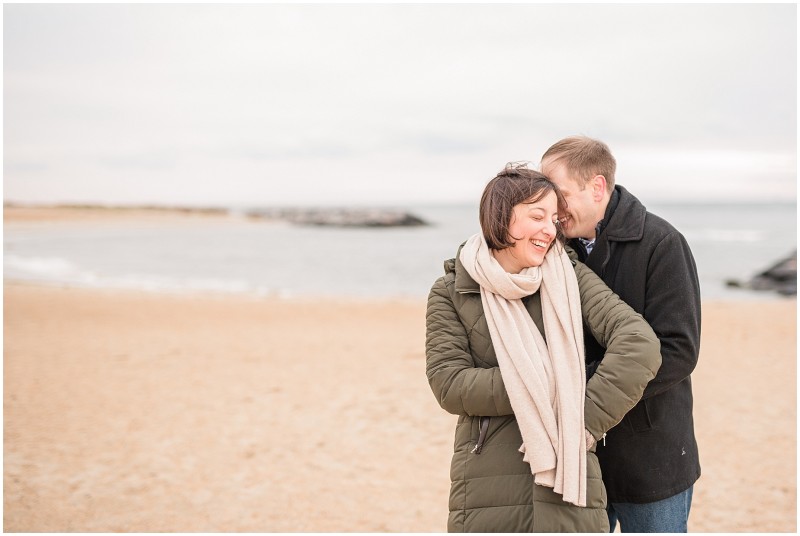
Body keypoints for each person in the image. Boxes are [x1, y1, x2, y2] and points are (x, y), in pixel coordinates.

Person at [425, 163, 662, 532]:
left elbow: (639, 344)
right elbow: (449, 384)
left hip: (571, 471)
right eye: (538, 216)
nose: (550, 230)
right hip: (487, 482)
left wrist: (581, 420)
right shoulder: (453, 290)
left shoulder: (569, 276)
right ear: (501, 217)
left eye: (554, 218)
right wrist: (543, 384)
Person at [540, 136, 701, 533]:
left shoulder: (663, 243)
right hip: (576, 460)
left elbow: (679, 351)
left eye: (559, 195)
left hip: (651, 456)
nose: (552, 210)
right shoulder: (554, 249)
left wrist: (585, 389)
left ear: (596, 187)